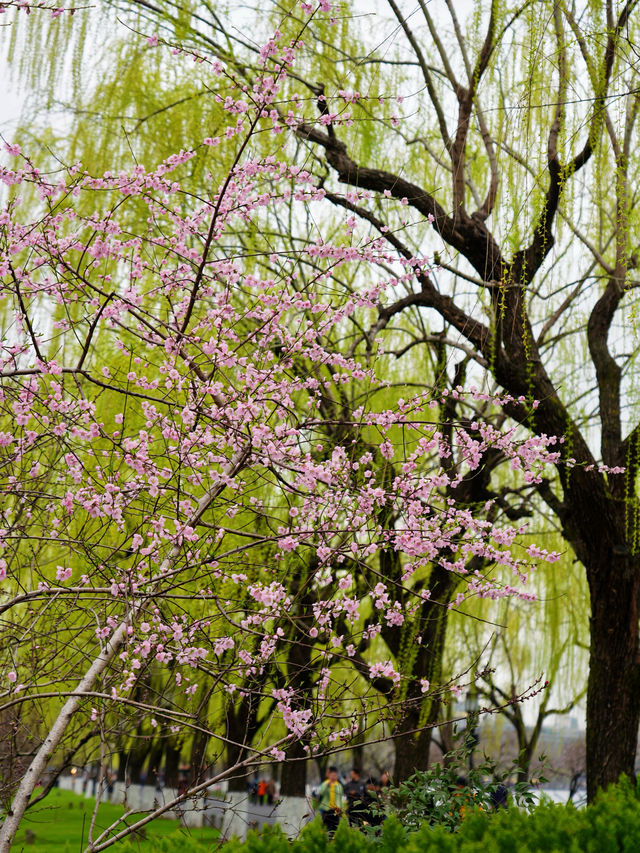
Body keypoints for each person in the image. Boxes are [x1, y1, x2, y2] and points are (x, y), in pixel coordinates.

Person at [314, 766, 344, 836]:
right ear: (329, 775)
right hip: (326, 809)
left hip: (336, 810)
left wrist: (340, 808)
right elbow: (321, 793)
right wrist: (327, 785)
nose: (333, 777)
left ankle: (332, 840)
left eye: (335, 775)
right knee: (325, 827)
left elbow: (340, 798)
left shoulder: (339, 785)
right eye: (332, 775)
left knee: (335, 828)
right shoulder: (325, 784)